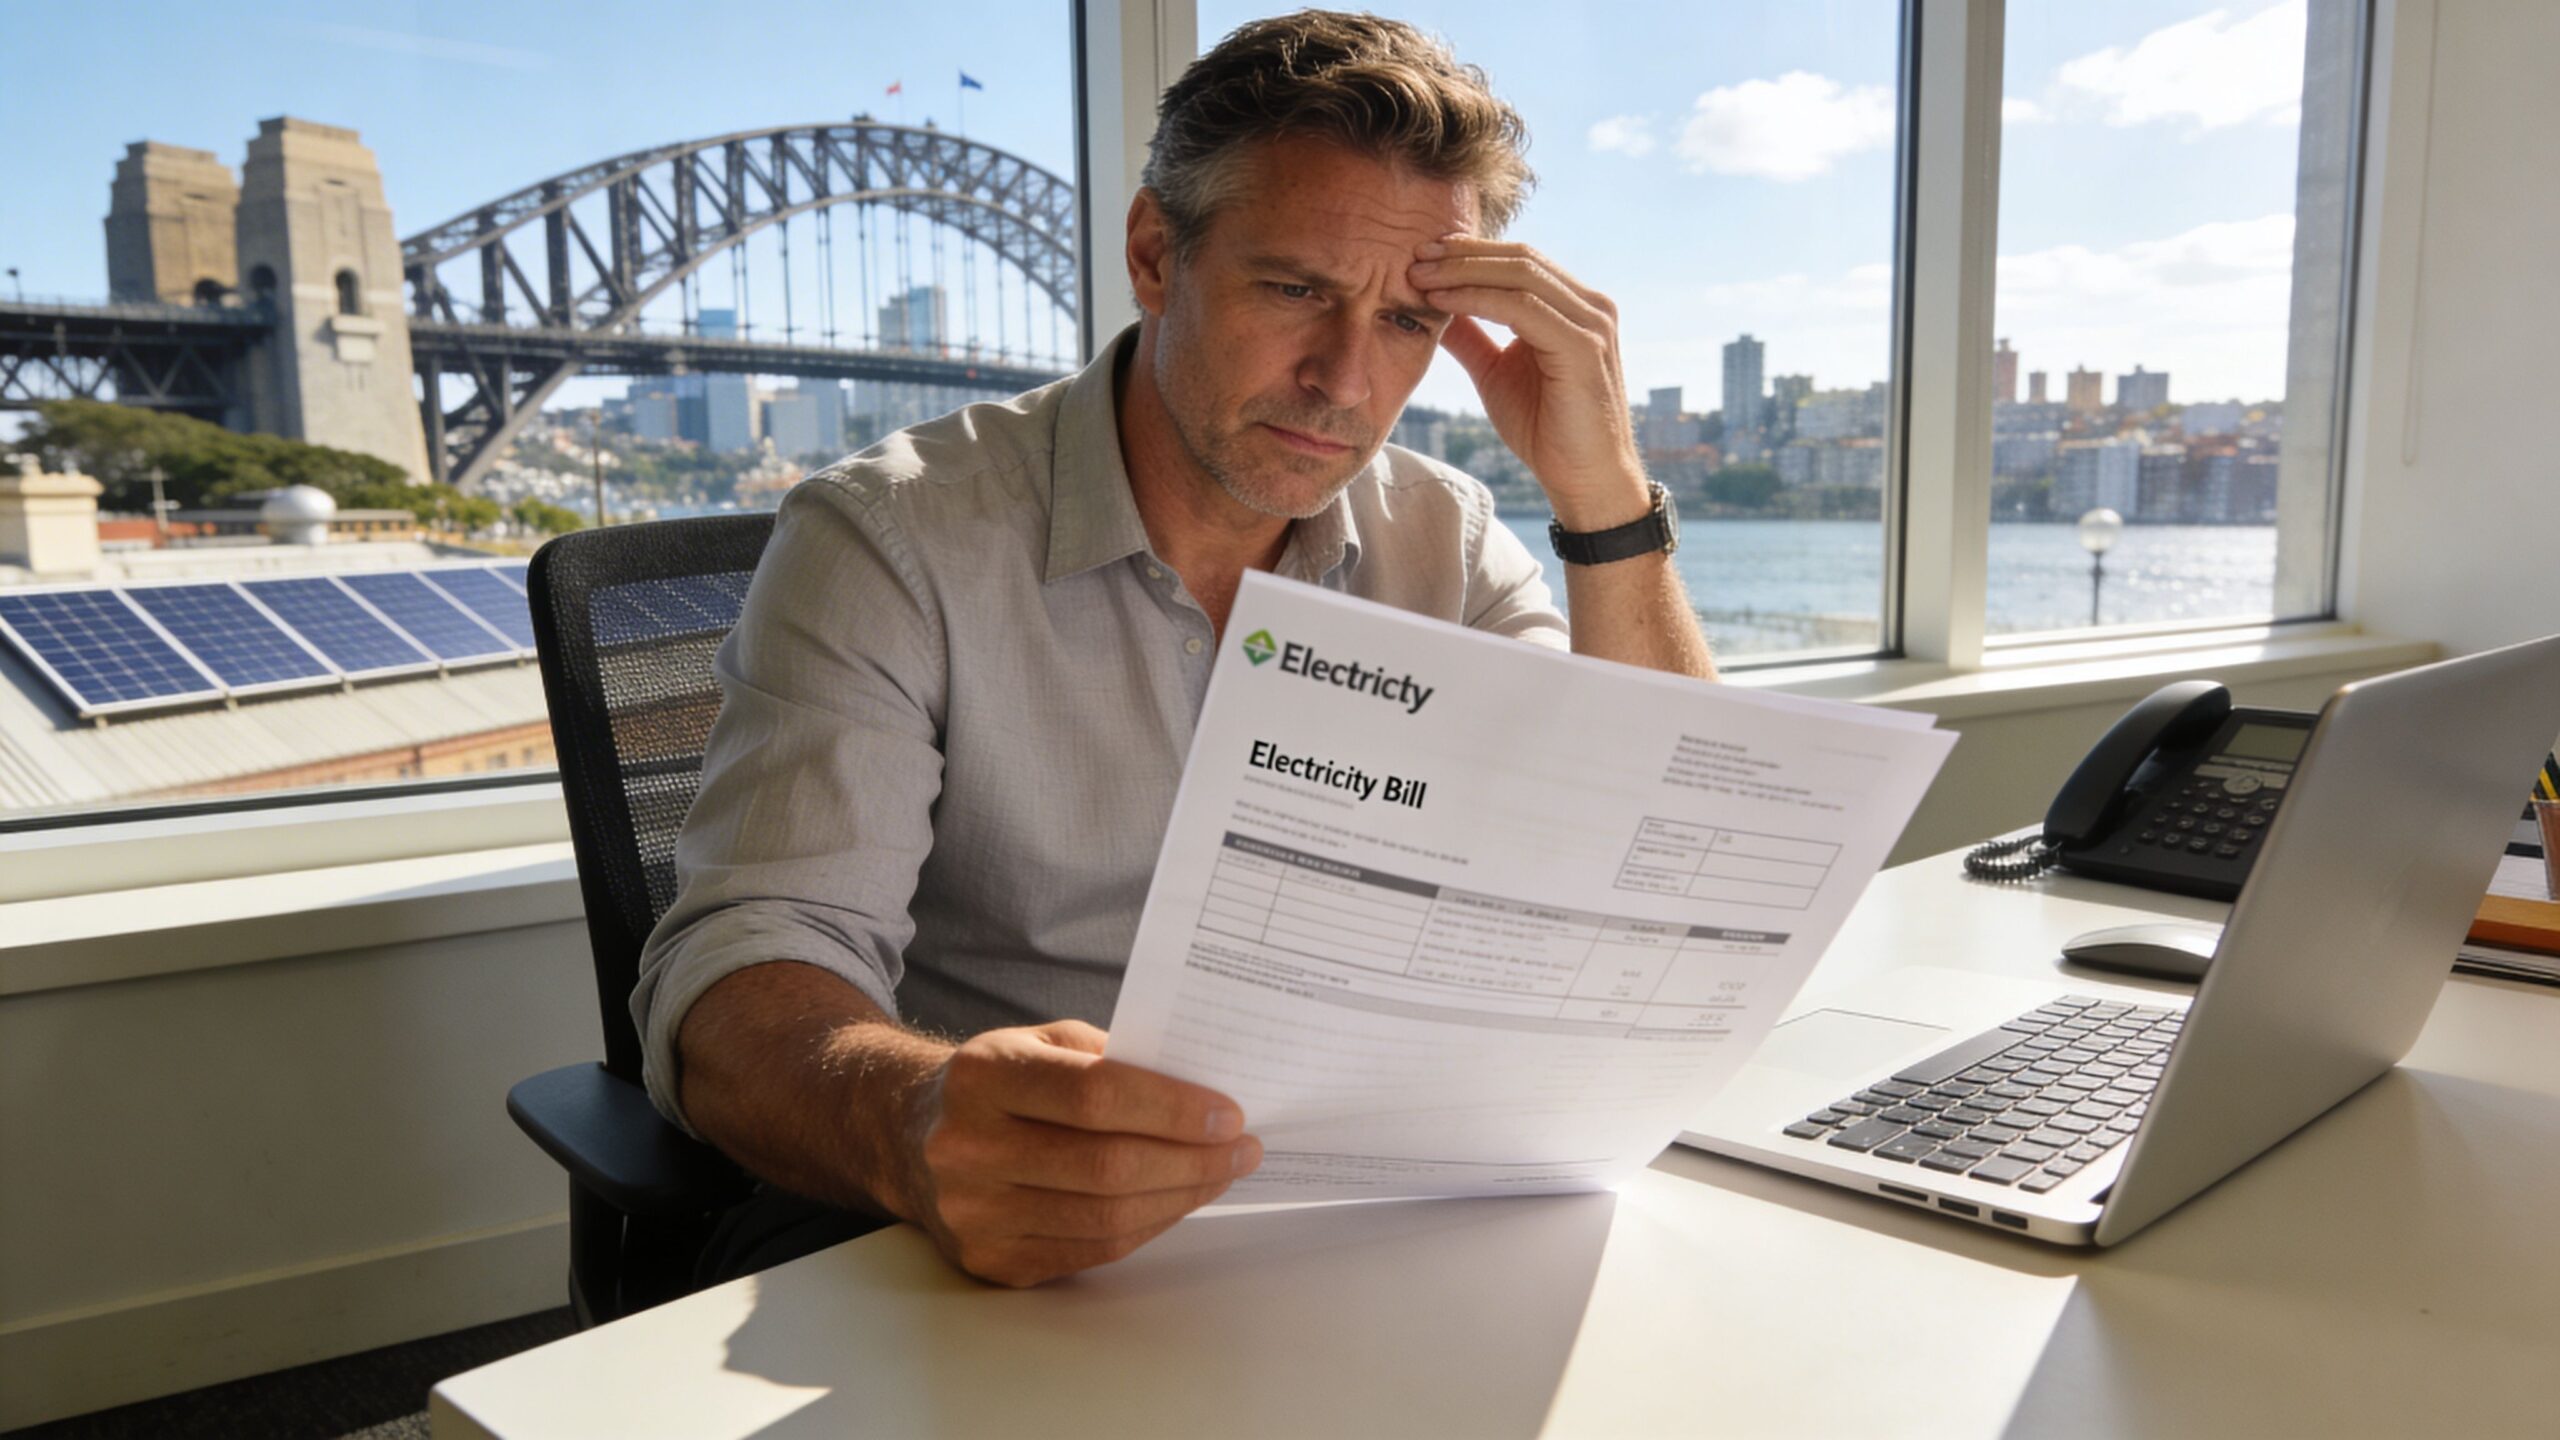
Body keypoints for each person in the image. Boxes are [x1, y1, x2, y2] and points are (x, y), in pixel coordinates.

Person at [633, 9, 1718, 1289]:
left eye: (1407, 325)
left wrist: (1603, 499)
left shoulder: (1447, 534)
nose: (1345, 381)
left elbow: (1667, 864)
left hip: (1385, 1206)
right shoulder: (895, 536)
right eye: (1296, 289)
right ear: (1156, 253)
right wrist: (915, 1119)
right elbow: (747, 970)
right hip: (1016, 1236)